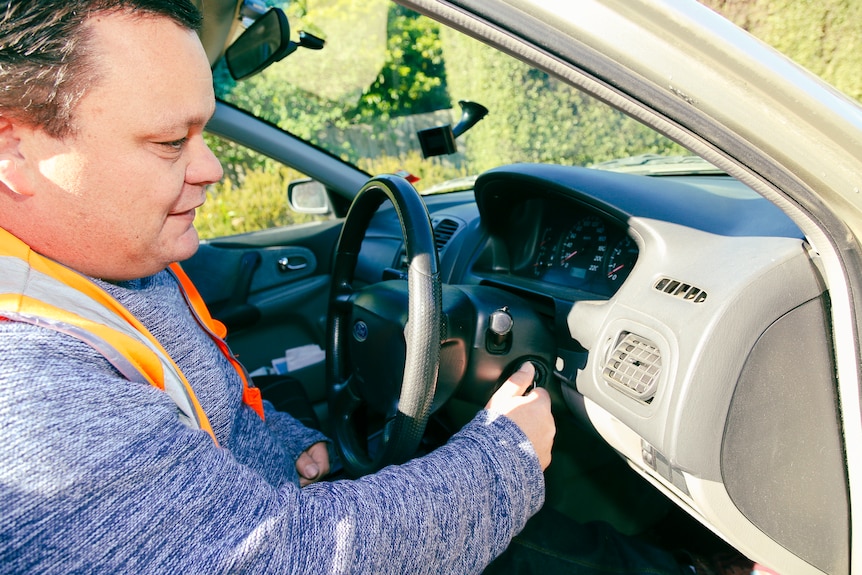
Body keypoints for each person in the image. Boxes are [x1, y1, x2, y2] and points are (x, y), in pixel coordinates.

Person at [0, 2, 748, 574]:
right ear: (14, 151)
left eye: (205, 134)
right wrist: (509, 456)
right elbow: (283, 558)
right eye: (170, 143)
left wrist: (298, 451)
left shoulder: (95, 267)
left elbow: (212, 425)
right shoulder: (28, 390)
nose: (211, 169)